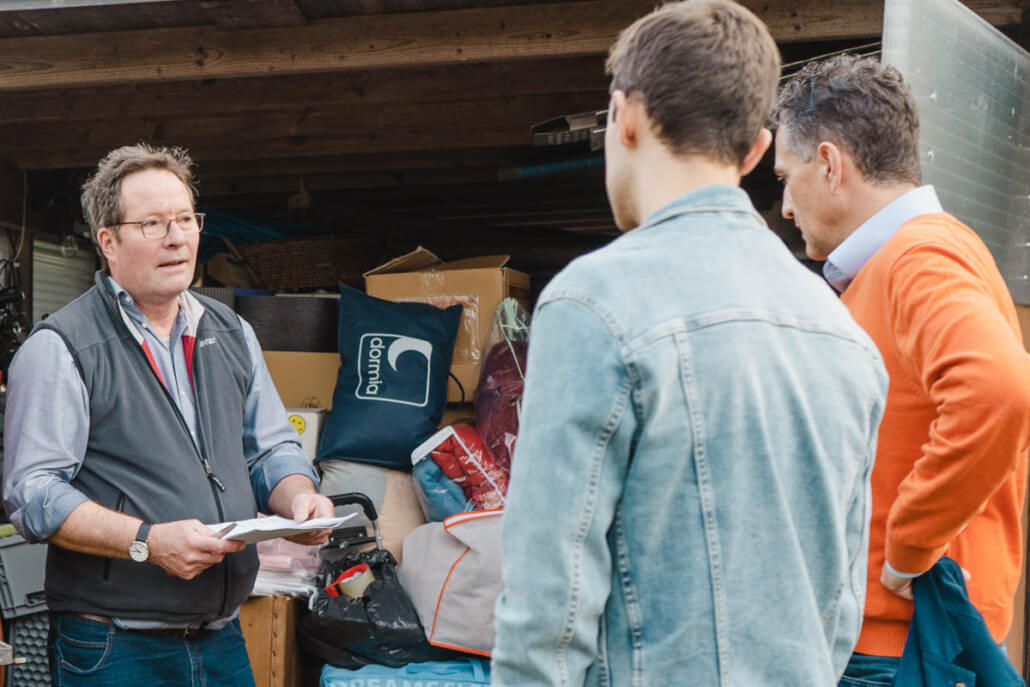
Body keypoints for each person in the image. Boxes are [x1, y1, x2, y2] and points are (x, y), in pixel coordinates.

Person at [490, 2, 889, 685]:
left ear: (626, 117)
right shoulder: (844, 335)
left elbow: (545, 612)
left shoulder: (591, 304)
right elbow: (839, 606)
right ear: (759, 150)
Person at [3, 143, 334, 687]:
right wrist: (146, 541)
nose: (178, 237)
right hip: (113, 646)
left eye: (185, 219)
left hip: (222, 636)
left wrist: (298, 497)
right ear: (108, 241)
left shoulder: (231, 333)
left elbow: (270, 449)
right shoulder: (62, 347)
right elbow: (33, 494)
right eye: (153, 224)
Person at [771, 54, 1030, 685]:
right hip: (898, 644)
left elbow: (998, 389)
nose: (783, 206)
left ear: (830, 165)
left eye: (786, 176)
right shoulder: (903, 260)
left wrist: (909, 547)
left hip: (900, 649)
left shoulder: (921, 257)